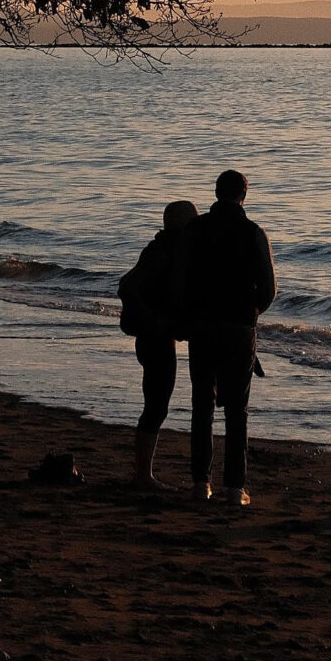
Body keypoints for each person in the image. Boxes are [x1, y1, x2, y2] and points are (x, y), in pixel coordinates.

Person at [178, 170, 276, 506]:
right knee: (237, 410)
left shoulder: (195, 229)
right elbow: (269, 290)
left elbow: (183, 278)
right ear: (243, 195)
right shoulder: (253, 233)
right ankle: (235, 488)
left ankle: (199, 483)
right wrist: (251, 314)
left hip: (202, 326)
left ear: (216, 193)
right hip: (238, 328)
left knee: (201, 406)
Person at [118, 200, 199, 489]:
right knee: (156, 405)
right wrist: (158, 321)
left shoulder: (162, 248)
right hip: (154, 336)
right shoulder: (165, 252)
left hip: (154, 334)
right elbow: (128, 285)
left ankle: (143, 473)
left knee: (155, 403)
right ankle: (143, 475)